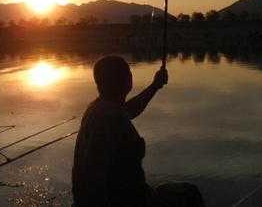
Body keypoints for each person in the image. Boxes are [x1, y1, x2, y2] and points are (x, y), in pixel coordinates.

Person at [72, 55, 203, 207]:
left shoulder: (99, 108)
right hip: (125, 201)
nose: (130, 76)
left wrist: (155, 86)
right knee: (189, 194)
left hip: (128, 194)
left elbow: (129, 110)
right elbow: (95, 174)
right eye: (128, 73)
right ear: (125, 80)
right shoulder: (110, 118)